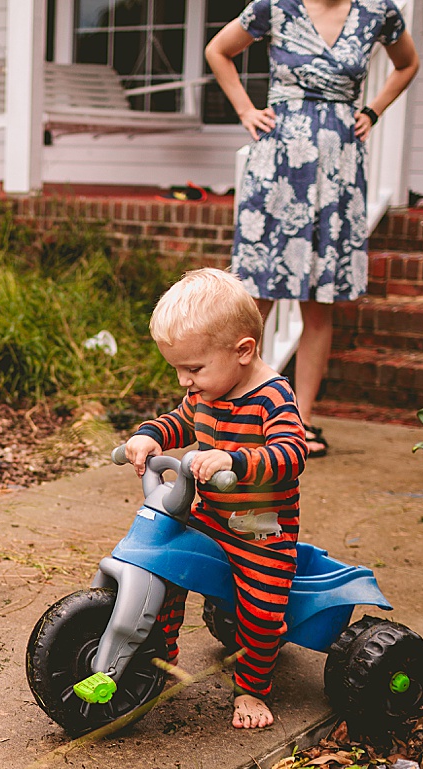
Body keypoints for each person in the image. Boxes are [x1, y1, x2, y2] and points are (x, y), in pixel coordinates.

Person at [206, 0, 420, 457]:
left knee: (319, 301)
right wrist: (245, 110)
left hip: (339, 166)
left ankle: (298, 424)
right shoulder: (275, 7)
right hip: (280, 162)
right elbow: (217, 51)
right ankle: (234, 411)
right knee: (255, 296)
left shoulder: (377, 12)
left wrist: (374, 110)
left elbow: (407, 64)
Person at [124, 268, 308, 730]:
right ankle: (159, 660)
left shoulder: (273, 398)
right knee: (165, 573)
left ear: (243, 351)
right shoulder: (209, 391)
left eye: (194, 368)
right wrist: (149, 436)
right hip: (210, 517)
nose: (186, 381)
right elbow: (179, 420)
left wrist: (234, 461)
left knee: (263, 609)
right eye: (178, 370)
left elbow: (291, 453)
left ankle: (252, 687)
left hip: (259, 527)